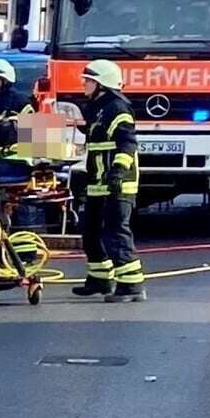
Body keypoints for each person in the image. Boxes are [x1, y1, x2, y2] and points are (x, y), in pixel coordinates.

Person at [71, 59, 145, 303]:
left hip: (117, 183)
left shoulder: (117, 108)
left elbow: (127, 142)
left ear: (102, 84)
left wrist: (118, 172)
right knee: (90, 230)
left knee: (116, 232)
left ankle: (131, 286)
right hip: (97, 182)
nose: (84, 84)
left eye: (89, 81)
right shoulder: (98, 107)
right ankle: (100, 278)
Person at [0, 58, 37, 180]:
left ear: (5, 80)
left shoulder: (21, 102)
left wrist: (10, 125)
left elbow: (34, 135)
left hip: (18, 162)